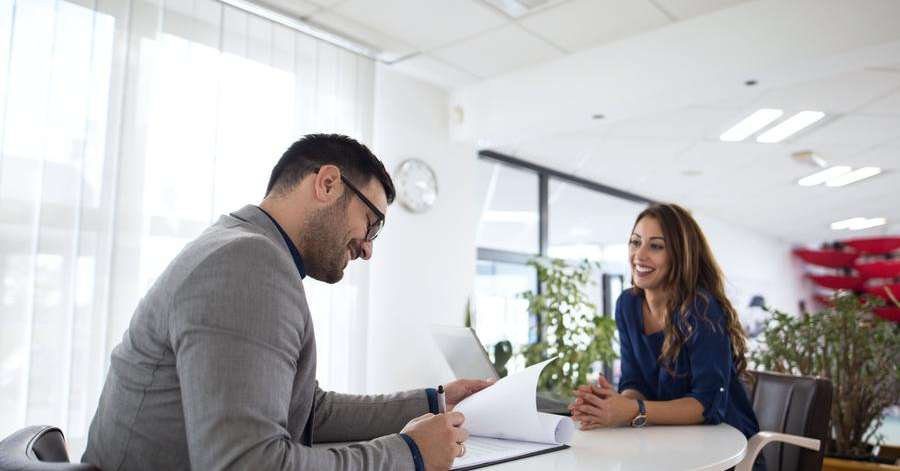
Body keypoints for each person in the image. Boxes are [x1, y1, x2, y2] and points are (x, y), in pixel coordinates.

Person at [82, 134, 491, 471]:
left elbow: (309, 411)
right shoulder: (246, 263)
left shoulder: (241, 248)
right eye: (371, 224)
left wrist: (435, 401)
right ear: (327, 184)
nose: (368, 249)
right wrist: (411, 455)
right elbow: (248, 464)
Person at [569, 203, 763, 469]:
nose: (639, 254)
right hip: (666, 441)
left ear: (680, 255)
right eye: (635, 242)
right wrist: (612, 406)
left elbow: (708, 405)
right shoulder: (627, 304)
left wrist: (633, 411)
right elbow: (634, 380)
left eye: (656, 246)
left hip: (725, 449)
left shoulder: (701, 309)